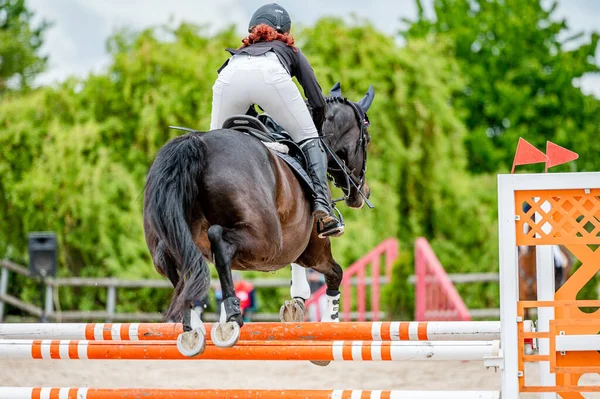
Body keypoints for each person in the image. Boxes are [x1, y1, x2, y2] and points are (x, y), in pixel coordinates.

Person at [210, 3, 343, 238]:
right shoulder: (290, 51)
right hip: (271, 78)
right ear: (285, 32)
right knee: (310, 138)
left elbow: (245, 113)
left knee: (211, 147)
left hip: (227, 79)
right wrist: (313, 130)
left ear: (253, 30)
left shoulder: (239, 53)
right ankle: (323, 207)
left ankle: (201, 206)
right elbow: (317, 99)